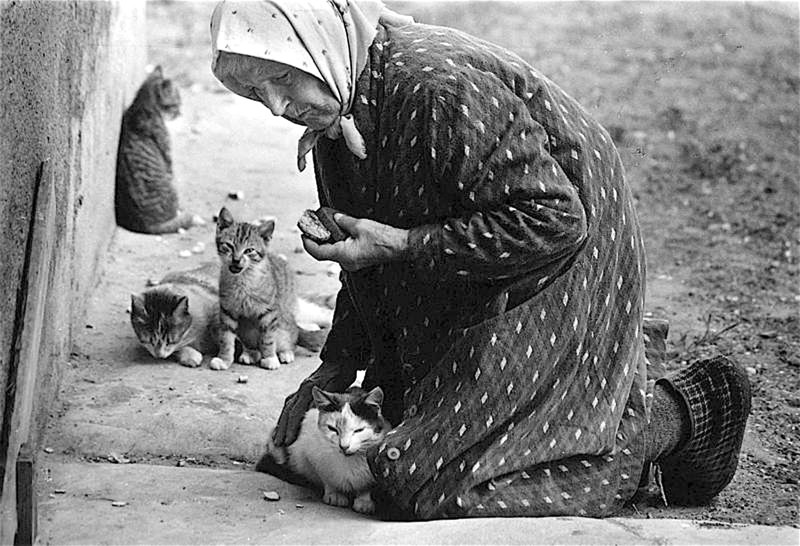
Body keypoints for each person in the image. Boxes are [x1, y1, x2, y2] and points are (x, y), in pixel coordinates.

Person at [209, 0, 751, 520]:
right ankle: (574, 405)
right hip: (475, 263)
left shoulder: (437, 93)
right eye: (258, 93)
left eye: (283, 79)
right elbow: (364, 260)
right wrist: (334, 368)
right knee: (334, 459)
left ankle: (676, 414)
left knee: (416, 483)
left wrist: (401, 244)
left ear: (318, 45)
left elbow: (557, 220)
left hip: (563, 268)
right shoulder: (343, 111)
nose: (278, 108)